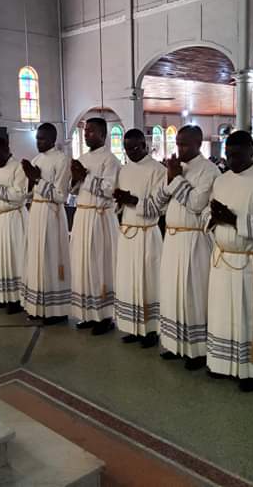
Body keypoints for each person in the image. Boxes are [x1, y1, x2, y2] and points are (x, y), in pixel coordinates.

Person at [205, 131, 253, 391]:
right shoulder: (221, 180)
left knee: (249, 317)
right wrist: (214, 218)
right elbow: (210, 211)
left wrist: (235, 220)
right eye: (228, 155)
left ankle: (251, 370)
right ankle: (223, 362)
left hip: (252, 262)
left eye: (237, 155)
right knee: (223, 314)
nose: (231, 160)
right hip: (223, 258)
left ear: (252, 152)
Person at [149, 125, 220, 370]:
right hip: (172, 238)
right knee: (172, 293)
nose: (179, 148)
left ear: (199, 144)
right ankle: (175, 343)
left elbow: (198, 204)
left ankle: (198, 351)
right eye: (178, 143)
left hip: (194, 240)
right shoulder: (174, 168)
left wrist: (176, 178)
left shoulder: (209, 170)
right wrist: (170, 178)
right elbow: (157, 203)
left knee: (193, 295)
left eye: (185, 144)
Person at [112, 128, 166, 348]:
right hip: (127, 232)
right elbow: (119, 203)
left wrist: (131, 199)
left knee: (147, 282)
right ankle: (133, 327)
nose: (132, 152)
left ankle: (151, 331)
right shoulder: (123, 170)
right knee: (129, 281)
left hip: (146, 232)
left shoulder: (158, 170)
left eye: (136, 147)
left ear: (145, 145)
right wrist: (119, 201)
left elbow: (158, 207)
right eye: (127, 149)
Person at [70, 117, 121, 335]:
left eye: (91, 131)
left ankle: (105, 316)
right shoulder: (82, 157)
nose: (86, 134)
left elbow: (110, 189)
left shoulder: (110, 160)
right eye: (85, 131)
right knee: (83, 266)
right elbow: (73, 190)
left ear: (103, 134)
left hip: (100, 218)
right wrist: (75, 178)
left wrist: (85, 177)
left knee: (100, 265)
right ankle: (88, 313)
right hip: (82, 216)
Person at [21, 123, 71, 325]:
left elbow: (60, 195)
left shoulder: (61, 159)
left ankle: (56, 310)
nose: (38, 142)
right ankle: (37, 306)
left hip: (52, 214)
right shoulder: (37, 159)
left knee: (51, 259)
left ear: (52, 139)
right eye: (37, 138)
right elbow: (28, 191)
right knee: (35, 259)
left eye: (42, 138)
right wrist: (29, 180)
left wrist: (36, 179)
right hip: (36, 211)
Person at [0, 136, 28, 314]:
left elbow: (19, 196)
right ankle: (0, 295)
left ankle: (16, 299)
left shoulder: (18, 167)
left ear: (7, 149)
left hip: (13, 218)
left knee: (14, 258)